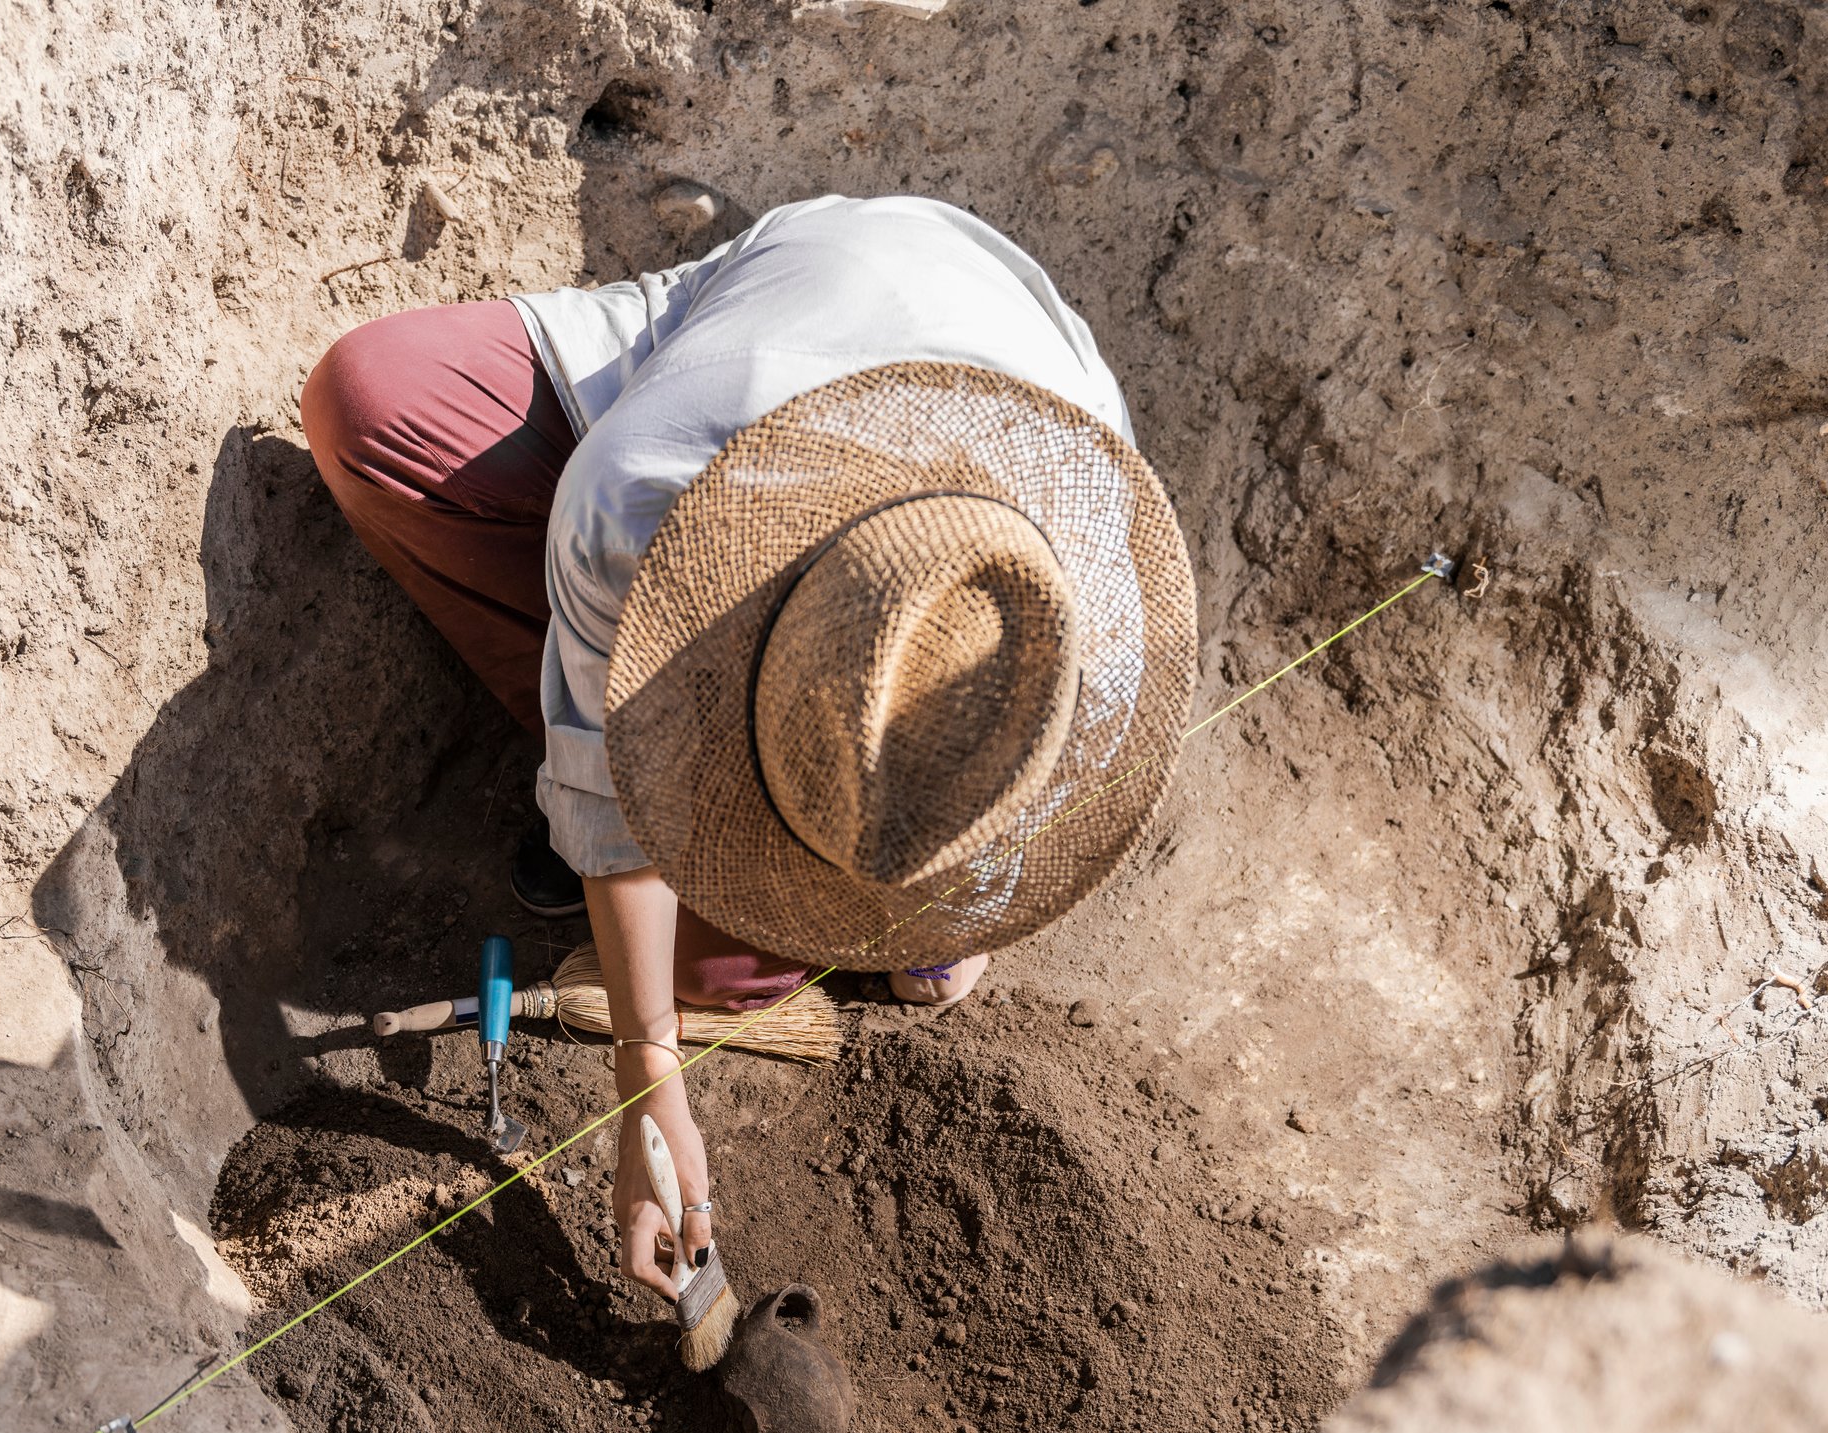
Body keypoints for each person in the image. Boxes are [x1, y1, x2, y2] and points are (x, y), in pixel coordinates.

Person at [301, 195, 1195, 1313]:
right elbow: (612, 827)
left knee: (772, 951)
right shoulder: (640, 495)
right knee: (369, 397)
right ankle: (684, 766)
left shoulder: (1081, 617)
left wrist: (956, 920)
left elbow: (1030, 805)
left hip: (985, 334)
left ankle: (835, 883)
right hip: (772, 301)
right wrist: (648, 1072)